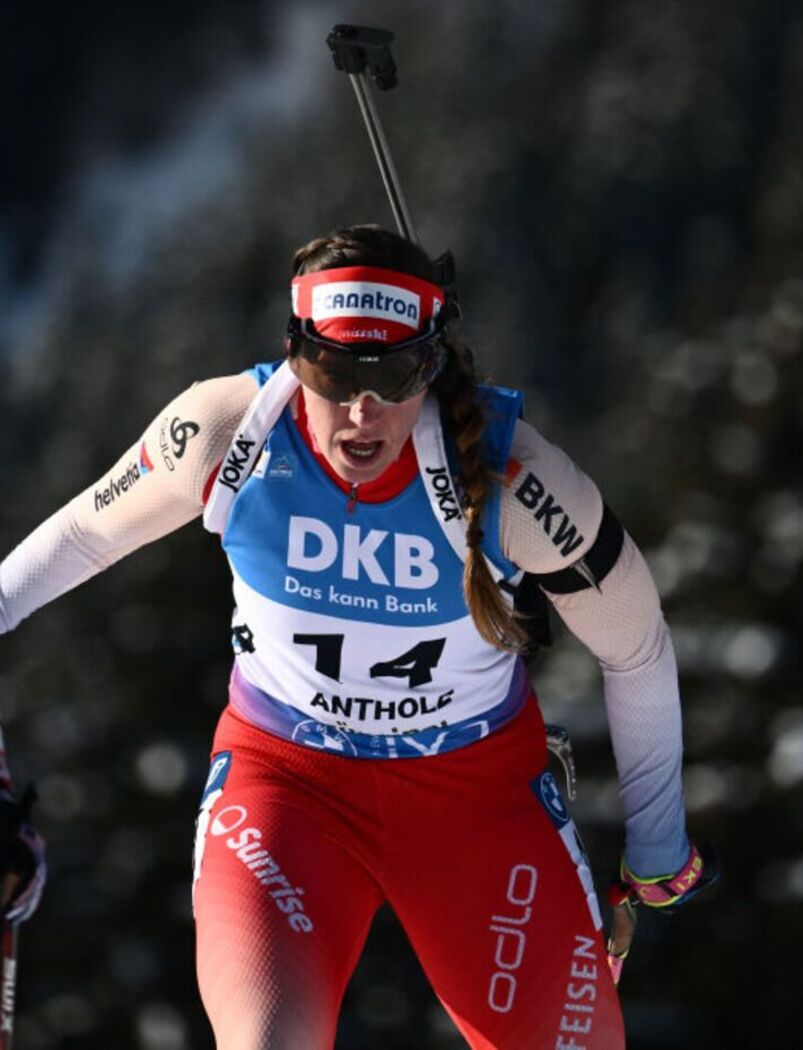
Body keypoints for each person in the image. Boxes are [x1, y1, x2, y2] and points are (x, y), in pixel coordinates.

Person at [0, 225, 711, 1048]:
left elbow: (637, 644)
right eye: (336, 373)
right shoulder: (228, 430)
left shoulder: (513, 477)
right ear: (296, 355)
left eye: (393, 373)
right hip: (285, 793)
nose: (363, 410)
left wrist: (658, 848)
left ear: (432, 366)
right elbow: (78, 540)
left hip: (476, 805)